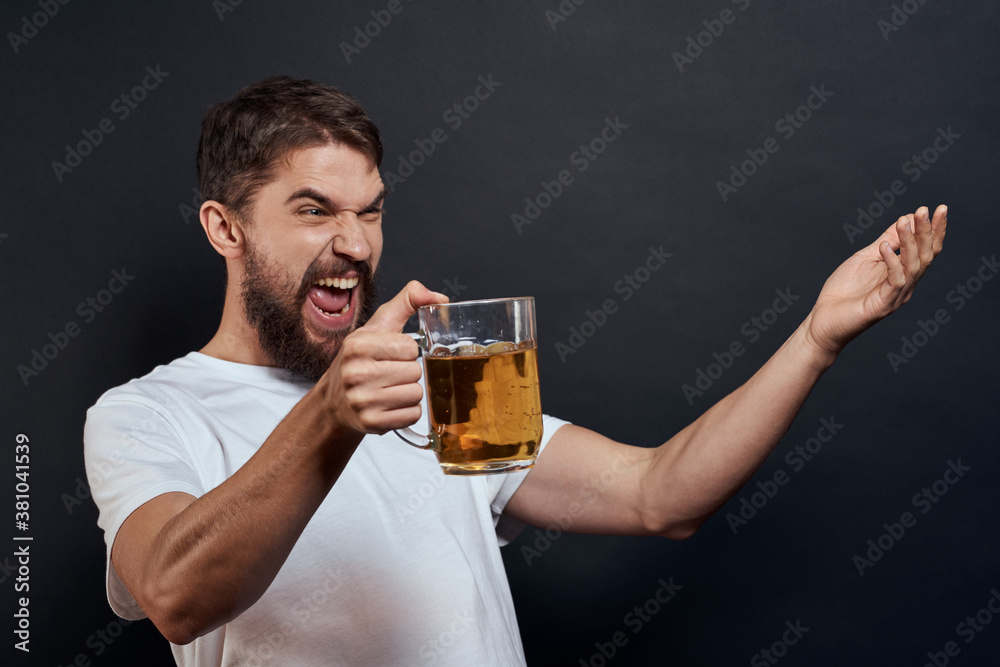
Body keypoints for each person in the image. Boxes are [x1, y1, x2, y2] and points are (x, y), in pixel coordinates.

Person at [84, 76, 947, 666]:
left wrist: (817, 336)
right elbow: (174, 594)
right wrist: (331, 416)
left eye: (371, 212)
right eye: (314, 211)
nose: (354, 243)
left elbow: (660, 494)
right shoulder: (148, 414)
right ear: (224, 229)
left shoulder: (443, 382)